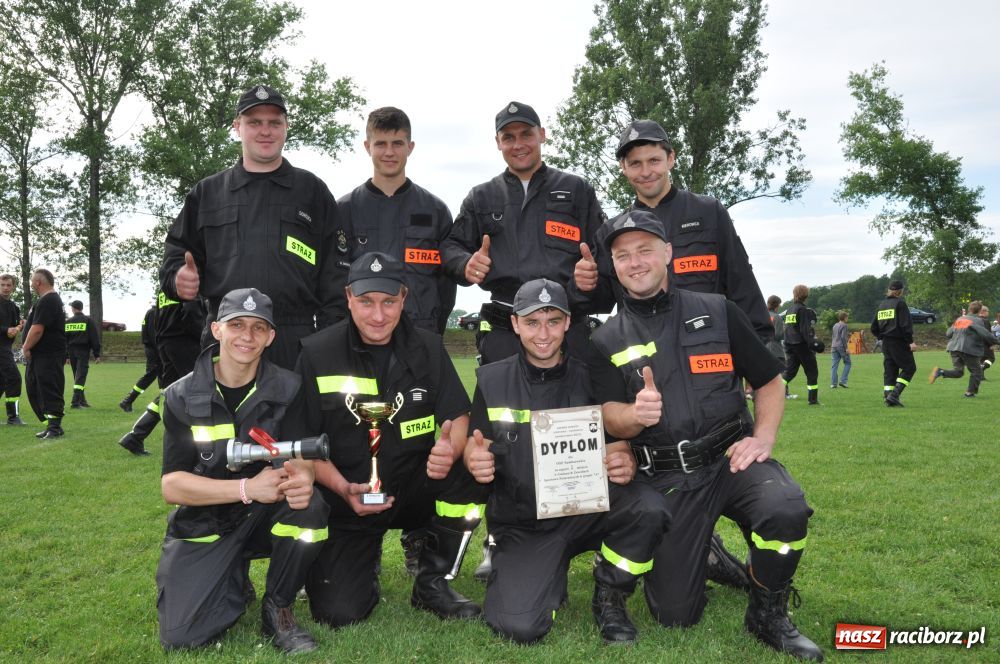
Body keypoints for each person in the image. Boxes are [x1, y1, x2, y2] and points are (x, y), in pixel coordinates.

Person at [588, 212, 822, 661]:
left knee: (784, 508)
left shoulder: (717, 311)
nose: (635, 263)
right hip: (670, 477)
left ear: (668, 253)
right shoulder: (604, 339)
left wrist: (765, 438)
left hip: (732, 460)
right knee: (676, 614)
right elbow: (607, 417)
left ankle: (768, 611)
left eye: (644, 250)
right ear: (612, 266)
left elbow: (770, 382)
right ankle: (709, 554)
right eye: (622, 256)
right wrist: (635, 417)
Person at [285, 252, 487, 627]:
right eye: (366, 302)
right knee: (339, 613)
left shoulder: (428, 347)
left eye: (389, 302)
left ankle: (432, 581)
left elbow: (458, 416)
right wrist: (343, 488)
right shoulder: (317, 352)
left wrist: (450, 449)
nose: (378, 316)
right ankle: (360, 564)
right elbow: (301, 442)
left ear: (404, 299)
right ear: (348, 298)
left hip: (416, 486)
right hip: (349, 494)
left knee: (476, 469)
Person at [465, 279, 670, 645]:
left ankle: (611, 592)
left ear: (568, 322)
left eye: (553, 321)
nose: (543, 333)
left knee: (647, 507)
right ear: (514, 324)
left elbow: (618, 437)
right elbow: (475, 442)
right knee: (521, 628)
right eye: (532, 322)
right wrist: (474, 458)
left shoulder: (593, 373)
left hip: (586, 511)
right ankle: (537, 572)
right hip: (525, 520)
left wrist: (624, 458)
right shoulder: (492, 378)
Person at [155, 288, 329, 654]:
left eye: (257, 328)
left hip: (264, 516)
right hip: (206, 521)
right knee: (182, 636)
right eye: (236, 325)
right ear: (217, 329)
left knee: (310, 508)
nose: (246, 337)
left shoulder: (290, 387)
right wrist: (247, 488)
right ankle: (231, 577)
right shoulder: (180, 396)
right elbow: (172, 486)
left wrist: (303, 479)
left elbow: (301, 455)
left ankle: (278, 608)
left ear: (271, 337)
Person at [159, 84, 346, 370]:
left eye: (274, 122)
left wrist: (329, 339)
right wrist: (177, 279)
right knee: (223, 417)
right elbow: (176, 253)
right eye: (254, 122)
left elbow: (336, 276)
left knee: (296, 415)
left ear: (286, 127)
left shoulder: (312, 192)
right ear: (237, 126)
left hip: (295, 341)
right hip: (226, 337)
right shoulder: (207, 194)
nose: (265, 131)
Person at [441, 100, 607, 364]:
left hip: (567, 327)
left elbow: (604, 250)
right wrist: (465, 264)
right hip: (504, 331)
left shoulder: (577, 190)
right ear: (498, 142)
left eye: (526, 134)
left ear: (542, 134)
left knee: (573, 406)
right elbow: (450, 247)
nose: (518, 145)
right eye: (509, 137)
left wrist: (592, 275)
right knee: (500, 406)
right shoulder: (482, 197)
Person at [576, 119, 772, 342]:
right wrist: (583, 284)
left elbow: (741, 282)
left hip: (709, 352)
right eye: (635, 163)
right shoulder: (611, 231)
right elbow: (601, 300)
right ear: (623, 168)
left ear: (671, 159)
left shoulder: (709, 212)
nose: (646, 171)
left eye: (654, 161)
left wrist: (763, 348)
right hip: (646, 358)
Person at [338, 107, 456, 333]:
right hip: (360, 335)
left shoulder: (436, 210)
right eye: (381, 143)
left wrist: (432, 329)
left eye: (397, 143)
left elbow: (446, 285)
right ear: (367, 147)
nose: (389, 152)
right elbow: (334, 279)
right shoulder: (345, 209)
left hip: (420, 332)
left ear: (410, 147)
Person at [119, 292, 204, 456]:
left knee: (169, 393)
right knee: (200, 388)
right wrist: (205, 335)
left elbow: (158, 317)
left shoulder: (166, 287)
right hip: (185, 342)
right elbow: (192, 311)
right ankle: (199, 443)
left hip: (166, 344)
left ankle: (136, 436)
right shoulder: (190, 278)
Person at [20, 269, 67, 438]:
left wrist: (25, 347)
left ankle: (55, 428)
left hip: (48, 354)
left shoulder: (49, 300)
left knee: (49, 388)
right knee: (35, 387)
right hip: (40, 355)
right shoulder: (44, 301)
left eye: (32, 280)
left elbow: (38, 329)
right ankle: (50, 425)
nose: (31, 283)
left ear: (38, 282)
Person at [929, 300, 997, 397]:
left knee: (958, 372)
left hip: (954, 348)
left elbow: (948, 333)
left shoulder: (960, 319)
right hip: (967, 349)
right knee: (977, 371)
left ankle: (940, 372)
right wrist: (996, 341)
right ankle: (970, 393)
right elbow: (985, 334)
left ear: (970, 309)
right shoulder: (977, 321)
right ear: (979, 311)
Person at [871, 280, 916, 407]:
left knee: (890, 371)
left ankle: (888, 397)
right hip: (898, 342)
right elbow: (905, 325)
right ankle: (894, 395)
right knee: (909, 368)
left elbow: (874, 327)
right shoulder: (900, 304)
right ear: (900, 291)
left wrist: (881, 336)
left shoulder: (882, 305)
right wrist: (911, 342)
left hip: (885, 343)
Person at [782, 285, 821, 405]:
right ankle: (812, 400)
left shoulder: (789, 310)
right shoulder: (803, 310)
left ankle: (775, 393)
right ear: (806, 295)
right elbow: (805, 331)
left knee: (789, 372)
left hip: (789, 344)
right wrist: (814, 344)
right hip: (801, 346)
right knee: (812, 371)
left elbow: (787, 329)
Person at [118, 303, 159, 412]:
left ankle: (128, 401)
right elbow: (154, 335)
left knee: (158, 376)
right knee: (150, 375)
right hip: (155, 350)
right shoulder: (154, 313)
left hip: (153, 349)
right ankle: (127, 400)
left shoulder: (152, 312)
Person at [64, 300, 101, 408]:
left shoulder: (68, 321)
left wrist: (66, 356)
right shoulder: (88, 321)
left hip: (71, 351)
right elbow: (94, 338)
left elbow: (65, 340)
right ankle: (75, 402)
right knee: (80, 376)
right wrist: (97, 354)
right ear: (81, 308)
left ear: (73, 308)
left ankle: (82, 401)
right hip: (83, 351)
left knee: (77, 376)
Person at [0, 273, 26, 425]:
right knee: (14, 378)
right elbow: (7, 329)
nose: (5, 288)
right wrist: (6, 330)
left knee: (2, 381)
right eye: (3, 285)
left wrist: (19, 326)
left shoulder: (14, 307)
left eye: (9, 285)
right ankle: (13, 417)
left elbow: (16, 325)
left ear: (13, 287)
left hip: (6, 346)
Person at [830, 310, 851, 389]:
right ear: (845, 317)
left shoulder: (835, 325)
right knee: (848, 363)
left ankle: (833, 384)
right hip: (841, 346)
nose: (847, 319)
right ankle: (843, 381)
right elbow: (842, 337)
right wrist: (846, 348)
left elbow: (834, 336)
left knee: (834, 365)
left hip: (833, 346)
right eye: (847, 317)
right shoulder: (844, 325)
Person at [979, 306, 994, 375]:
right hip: (985, 344)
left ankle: (981, 376)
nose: (988, 313)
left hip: (976, 344)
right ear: (983, 311)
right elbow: (988, 334)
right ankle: (982, 368)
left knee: (982, 359)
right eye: (988, 311)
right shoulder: (985, 321)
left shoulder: (975, 320)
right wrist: (991, 344)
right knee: (991, 358)